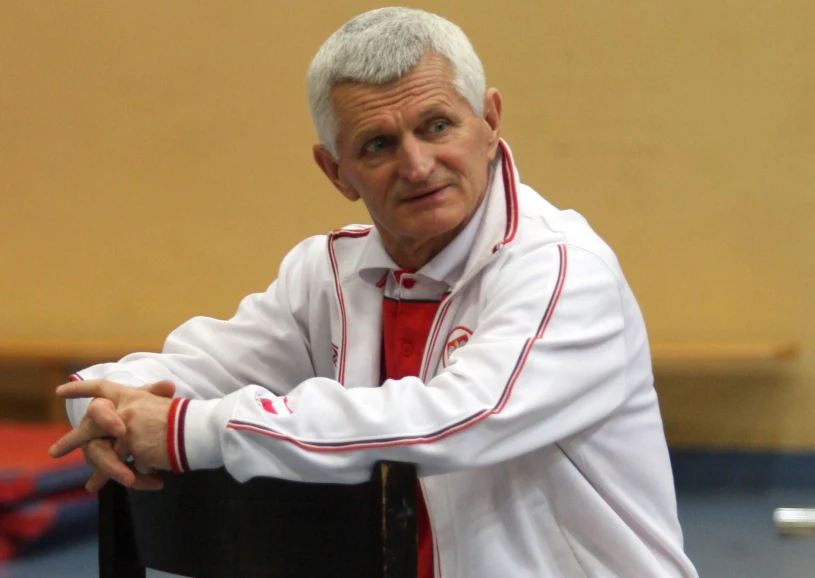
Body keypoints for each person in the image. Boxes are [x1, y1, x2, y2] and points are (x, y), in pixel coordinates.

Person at [49, 7, 698, 577]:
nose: (416, 165)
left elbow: (454, 419)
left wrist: (194, 429)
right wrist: (105, 409)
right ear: (336, 171)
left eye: (437, 126)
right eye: (379, 144)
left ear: (490, 121)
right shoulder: (325, 274)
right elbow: (185, 370)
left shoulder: (562, 268)